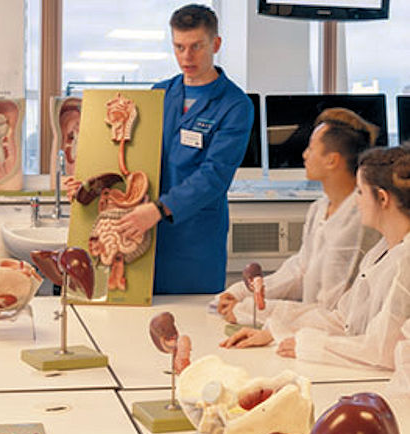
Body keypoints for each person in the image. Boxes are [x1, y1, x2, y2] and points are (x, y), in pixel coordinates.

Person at [221, 144, 410, 370]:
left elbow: (383, 352)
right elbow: (342, 319)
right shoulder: (380, 252)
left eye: (360, 191)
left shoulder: (404, 261)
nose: (355, 200)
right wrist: (277, 331)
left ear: (382, 198)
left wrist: (307, 345)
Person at [115, 3, 254, 294]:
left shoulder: (235, 105)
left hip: (194, 240)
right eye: (179, 47)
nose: (186, 57)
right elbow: (133, 155)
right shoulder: (160, 94)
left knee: (195, 324)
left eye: (196, 47)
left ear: (215, 44)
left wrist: (159, 209)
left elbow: (214, 176)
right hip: (145, 231)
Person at [216, 108, 381, 324]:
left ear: (332, 160)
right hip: (310, 327)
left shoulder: (358, 220)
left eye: (311, 148)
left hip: (334, 332)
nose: (304, 154)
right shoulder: (320, 208)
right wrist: (242, 293)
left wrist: (252, 312)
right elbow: (299, 271)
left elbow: (331, 309)